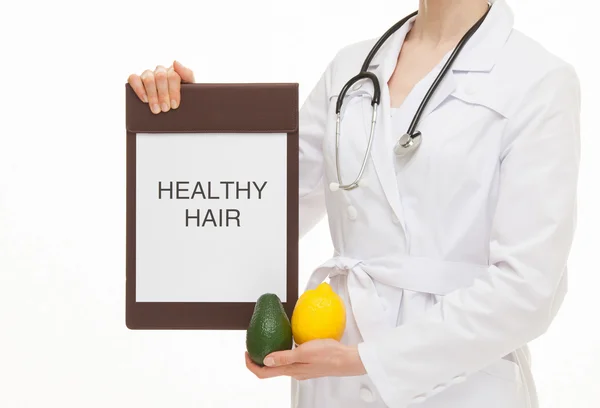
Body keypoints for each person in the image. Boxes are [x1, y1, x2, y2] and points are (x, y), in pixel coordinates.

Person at [127, 0, 581, 406]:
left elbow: (529, 289)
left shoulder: (538, 80)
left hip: (459, 381)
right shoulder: (351, 68)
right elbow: (261, 207)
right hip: (330, 366)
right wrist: (185, 121)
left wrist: (365, 359)